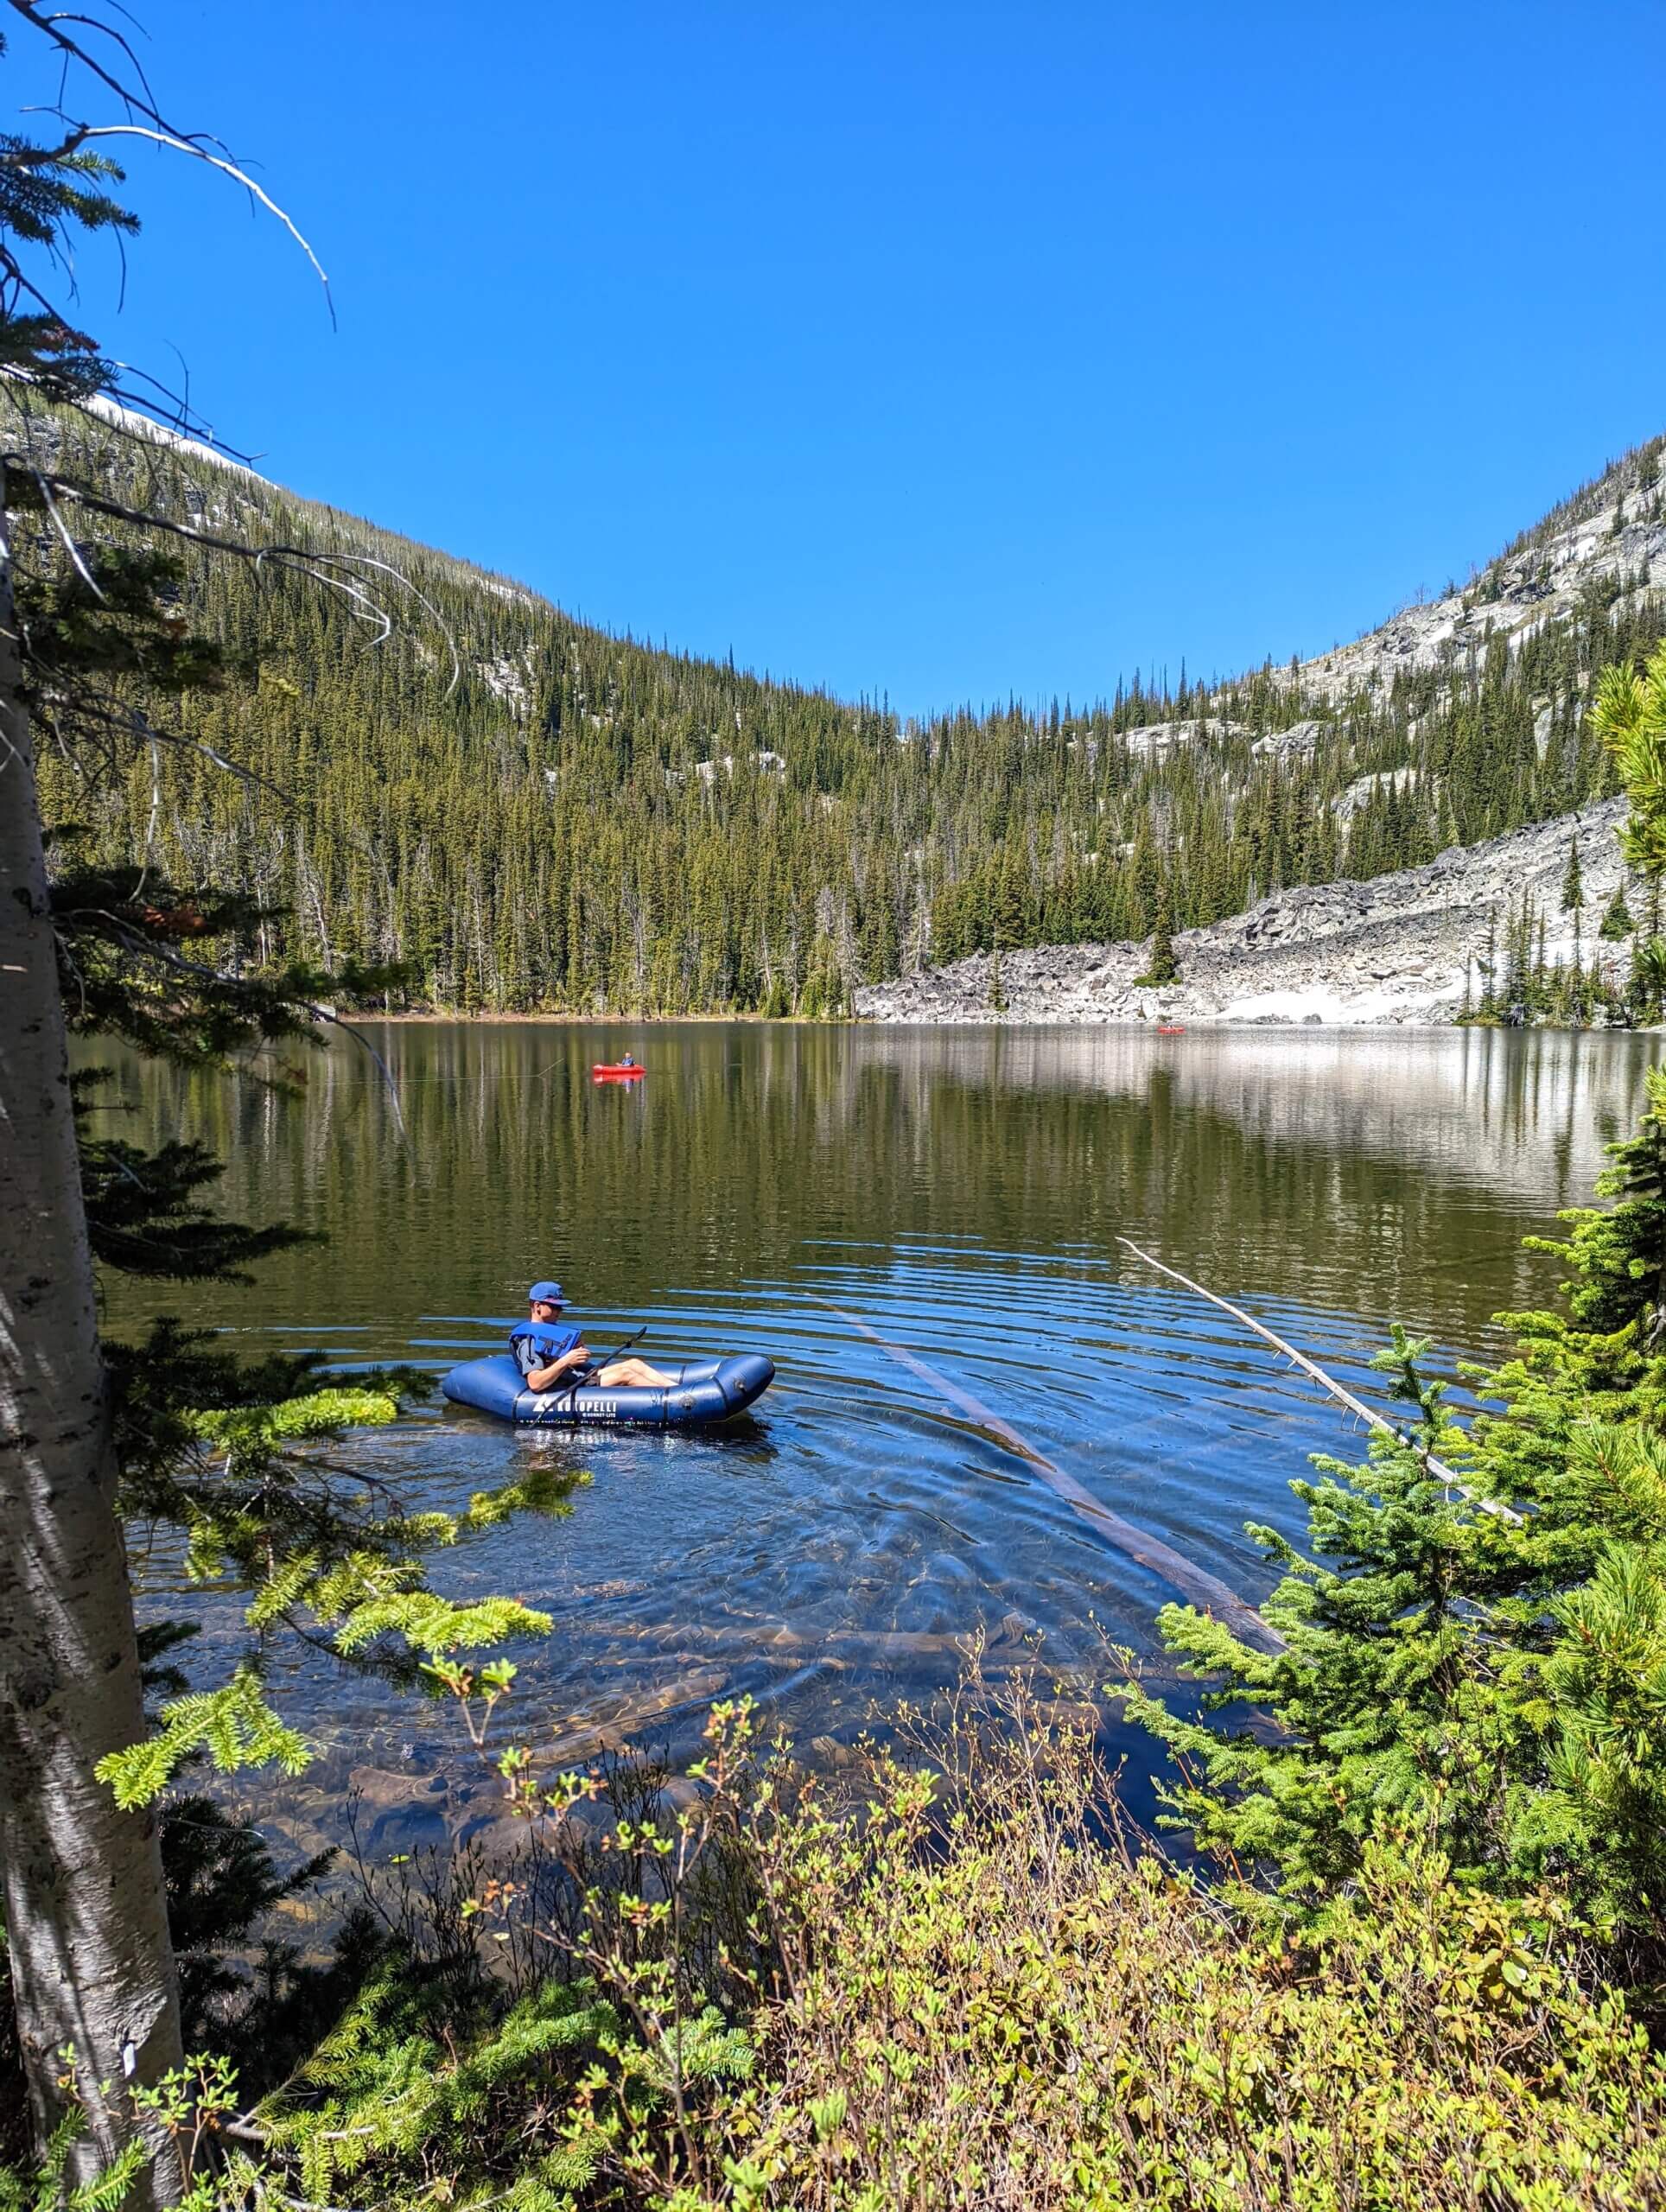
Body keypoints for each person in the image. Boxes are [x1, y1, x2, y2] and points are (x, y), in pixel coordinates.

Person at [511, 1281, 674, 1393]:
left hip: (576, 1377)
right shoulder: (526, 1338)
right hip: (565, 1386)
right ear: (537, 1306)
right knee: (627, 1374)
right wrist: (566, 1360)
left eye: (561, 1308)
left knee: (634, 1364)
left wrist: (575, 1357)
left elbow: (555, 1363)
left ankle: (678, 1391)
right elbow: (535, 1383)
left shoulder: (552, 1331)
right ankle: (675, 1401)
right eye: (554, 1307)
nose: (559, 1312)